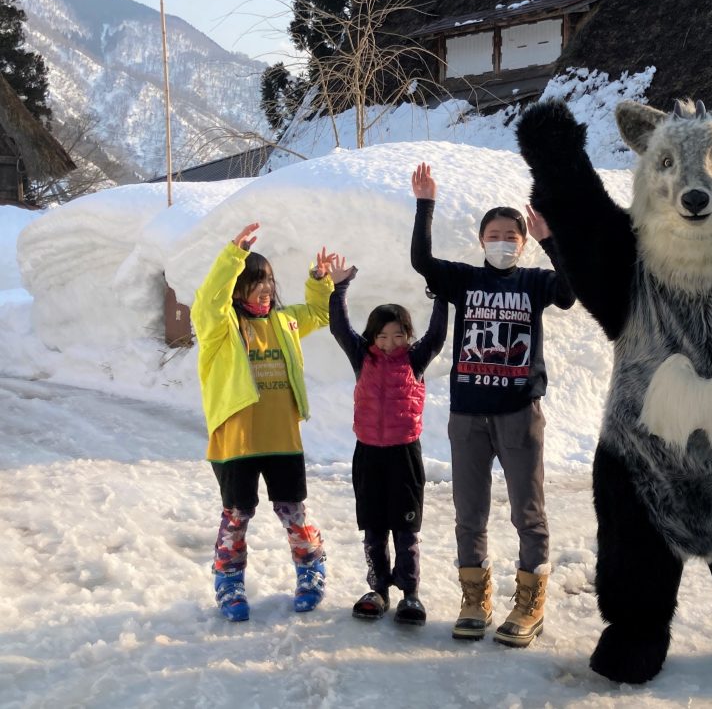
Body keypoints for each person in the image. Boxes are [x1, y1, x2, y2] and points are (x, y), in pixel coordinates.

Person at [410, 162, 575, 647]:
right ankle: (474, 600)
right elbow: (423, 261)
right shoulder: (462, 280)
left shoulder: (534, 283)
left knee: (528, 512)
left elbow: (569, 290)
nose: (503, 240)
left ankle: (530, 605)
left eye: (512, 234)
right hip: (468, 417)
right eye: (494, 233)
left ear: (522, 243)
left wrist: (552, 238)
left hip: (520, 415)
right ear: (482, 240)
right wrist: (425, 205)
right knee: (469, 513)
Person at [193, 222, 335, 622]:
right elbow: (207, 302)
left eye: (269, 279)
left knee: (293, 511)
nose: (265, 288)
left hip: (282, 438)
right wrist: (232, 258)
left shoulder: (285, 323)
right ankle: (228, 581)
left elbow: (320, 312)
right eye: (255, 281)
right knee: (237, 515)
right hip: (236, 442)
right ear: (237, 288)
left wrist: (319, 280)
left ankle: (311, 569)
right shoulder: (220, 328)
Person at [326, 253, 448, 625]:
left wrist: (441, 295)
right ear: (372, 336)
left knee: (406, 528)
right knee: (375, 526)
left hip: (404, 455)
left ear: (408, 335)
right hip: (368, 455)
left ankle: (410, 593)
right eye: (383, 335)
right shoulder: (363, 357)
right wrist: (339, 287)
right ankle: (377, 589)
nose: (391, 341)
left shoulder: (416, 359)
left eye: (398, 334)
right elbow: (338, 327)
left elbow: (439, 335)